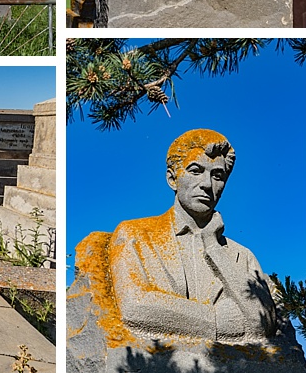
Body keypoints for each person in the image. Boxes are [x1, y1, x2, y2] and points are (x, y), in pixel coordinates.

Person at [107, 129, 278, 346]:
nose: (207, 184)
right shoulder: (135, 235)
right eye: (196, 171)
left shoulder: (241, 256)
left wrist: (214, 248)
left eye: (217, 176)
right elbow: (135, 305)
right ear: (172, 178)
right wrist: (214, 321)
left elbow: (263, 322)